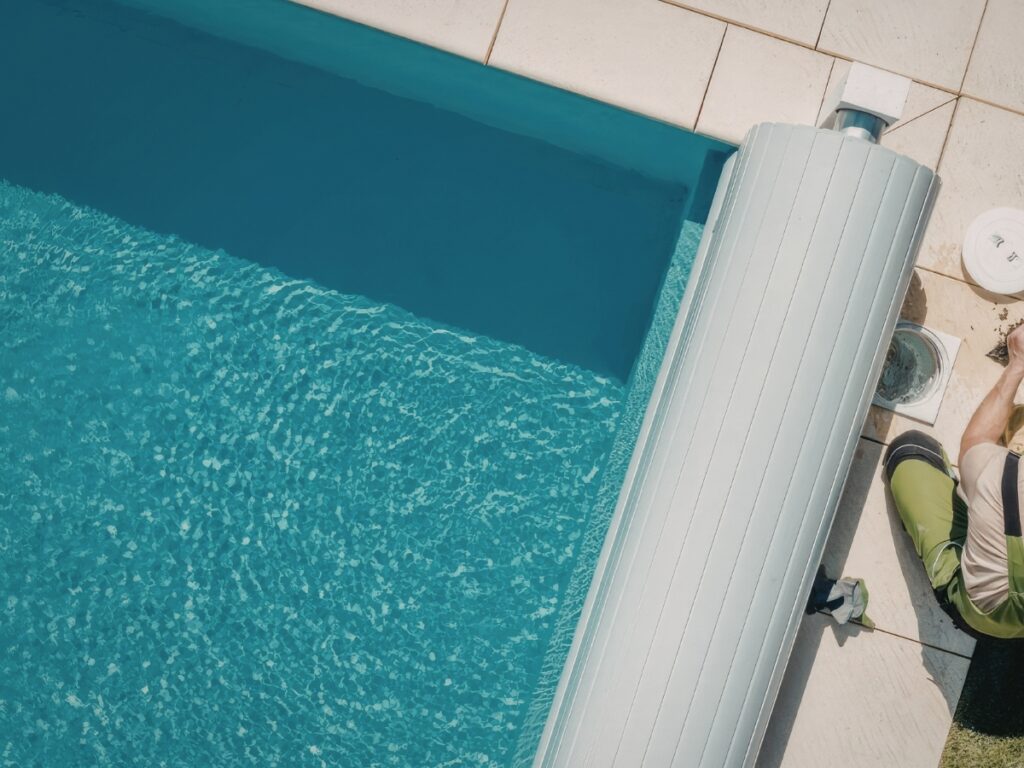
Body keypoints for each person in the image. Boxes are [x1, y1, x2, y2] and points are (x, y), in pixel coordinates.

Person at [885, 324, 1024, 639]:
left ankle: (951, 589)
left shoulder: (1009, 486)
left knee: (908, 450)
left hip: (983, 612)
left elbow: (976, 441)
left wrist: (1017, 364)